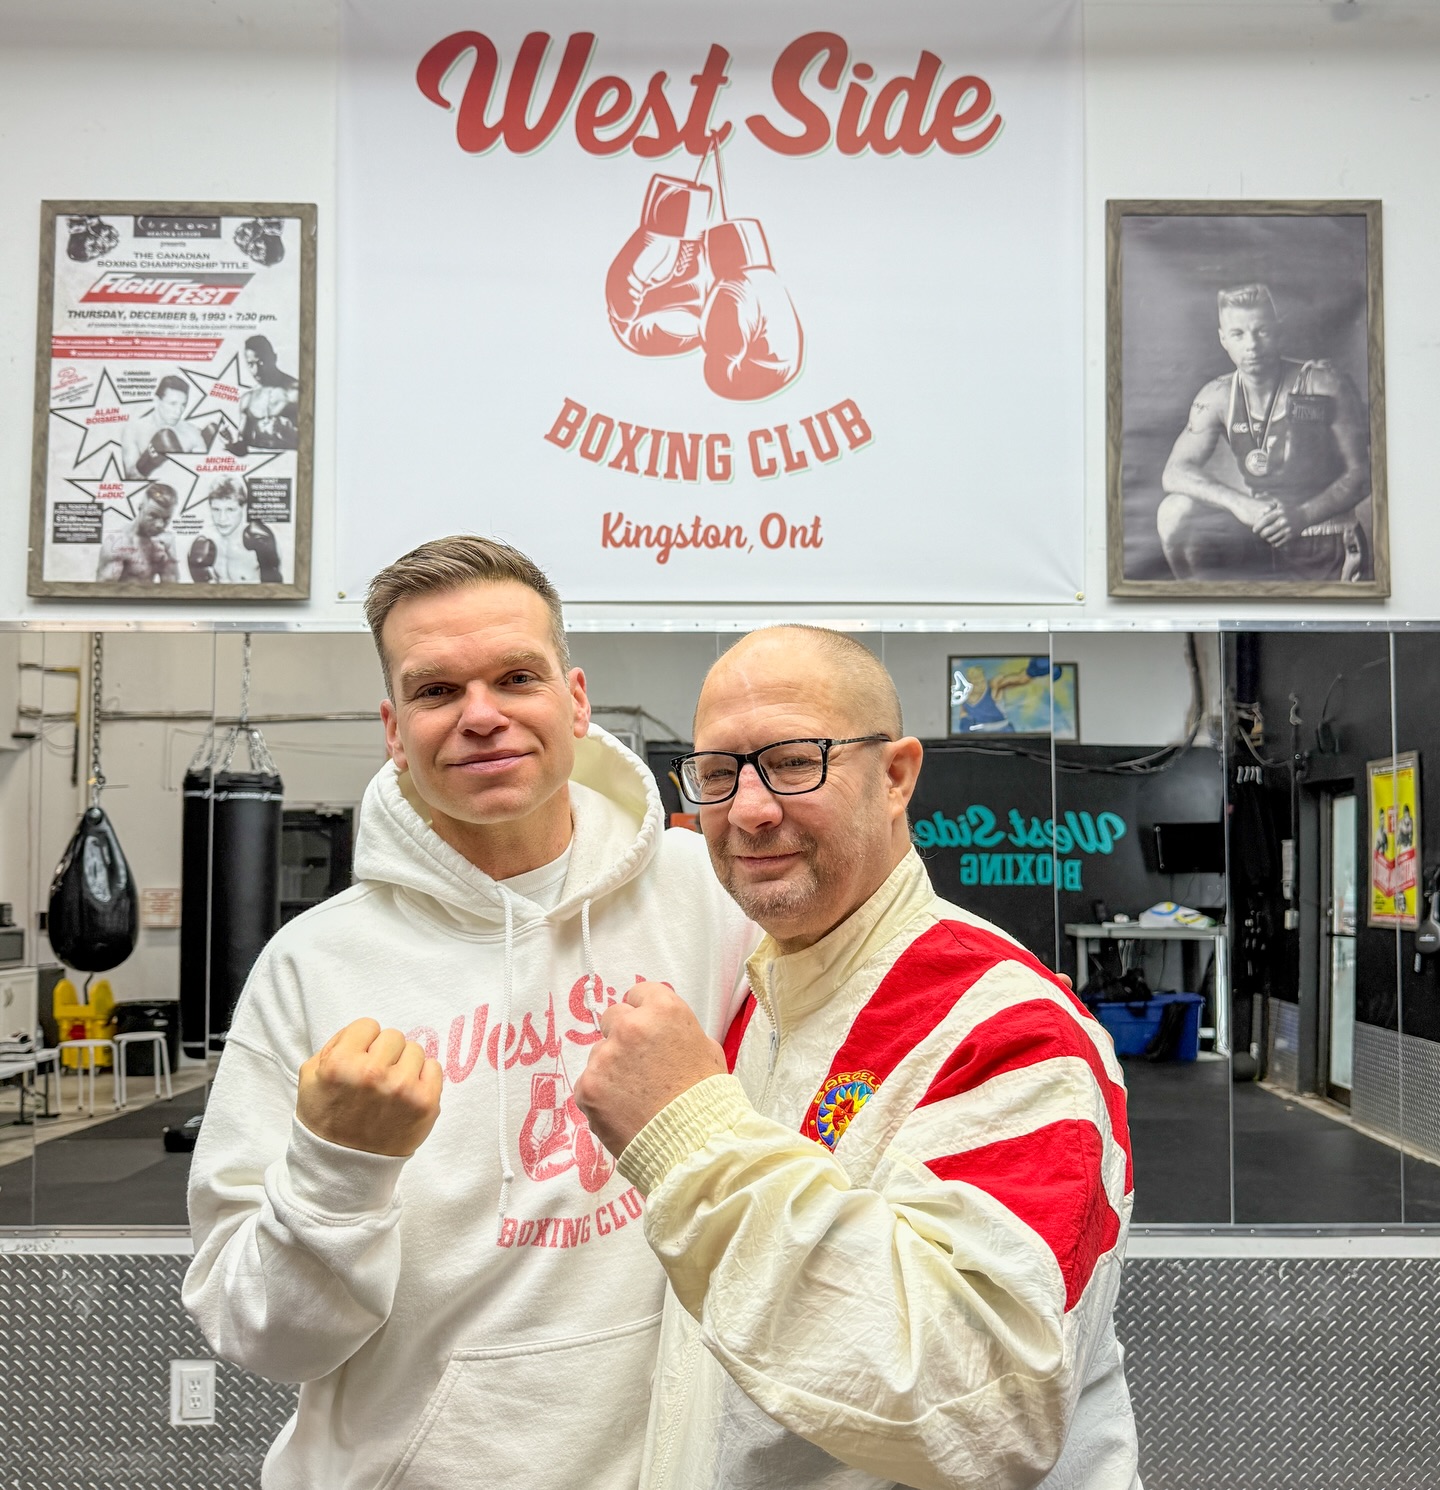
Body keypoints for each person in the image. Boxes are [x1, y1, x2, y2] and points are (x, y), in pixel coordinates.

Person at [183, 536, 755, 1489]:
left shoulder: (713, 901)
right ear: (392, 725)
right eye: (436, 690)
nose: (481, 716)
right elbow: (259, 1335)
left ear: (574, 699)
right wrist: (337, 1173)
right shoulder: (312, 968)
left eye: (515, 677)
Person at [575, 625, 1139, 1489]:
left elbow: (983, 1409)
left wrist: (689, 1135)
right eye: (720, 773)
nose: (751, 809)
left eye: (796, 760)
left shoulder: (1012, 1031)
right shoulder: (758, 1006)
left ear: (897, 777)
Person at [1157, 283, 1371, 583]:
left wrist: (1302, 516)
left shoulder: (1323, 383)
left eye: (1262, 331)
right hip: (1258, 533)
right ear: (1223, 340)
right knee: (1174, 511)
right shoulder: (1217, 396)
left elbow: (1363, 475)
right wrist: (1241, 504)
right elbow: (1174, 473)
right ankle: (1205, 612)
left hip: (1323, 534)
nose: (1252, 346)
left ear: (1278, 331)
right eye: (1238, 334)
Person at [187, 476, 282, 584]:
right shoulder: (207, 542)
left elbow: (275, 590)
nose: (222, 519)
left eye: (230, 510)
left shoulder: (258, 540)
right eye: (216, 509)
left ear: (243, 507)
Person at [121, 374, 207, 478]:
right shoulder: (134, 430)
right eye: (173, 404)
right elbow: (131, 476)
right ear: (157, 401)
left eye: (183, 405)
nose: (178, 411)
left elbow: (203, 476)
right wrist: (149, 460)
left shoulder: (192, 433)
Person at [96, 482, 179, 582]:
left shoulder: (165, 542)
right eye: (153, 516)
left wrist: (169, 557)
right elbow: (104, 591)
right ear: (140, 508)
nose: (159, 525)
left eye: (166, 519)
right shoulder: (117, 542)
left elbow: (171, 589)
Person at [231, 334, 301, 452]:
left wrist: (288, 433)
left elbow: (317, 441)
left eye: (261, 362)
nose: (256, 370)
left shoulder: (296, 391)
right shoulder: (247, 400)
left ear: (274, 358)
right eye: (251, 364)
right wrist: (230, 444)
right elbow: (243, 444)